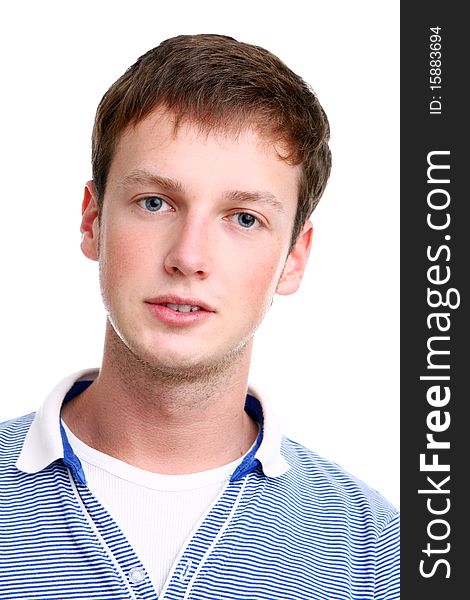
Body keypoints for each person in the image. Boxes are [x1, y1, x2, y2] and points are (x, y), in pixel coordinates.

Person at [0, 34, 399, 599]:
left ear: (294, 258)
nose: (188, 257)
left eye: (242, 218)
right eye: (155, 202)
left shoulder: (376, 553)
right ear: (92, 221)